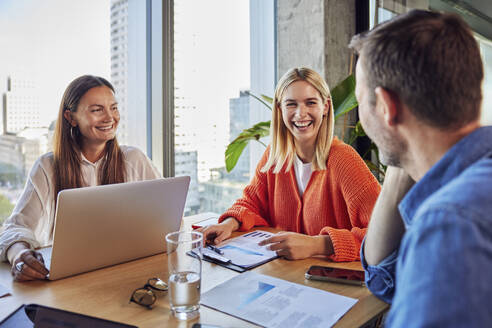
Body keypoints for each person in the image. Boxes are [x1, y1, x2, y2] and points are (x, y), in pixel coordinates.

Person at [350, 9, 492, 326]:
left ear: (386, 107)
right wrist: (409, 153)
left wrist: (399, 138)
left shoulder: (452, 223)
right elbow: (385, 280)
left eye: (361, 101)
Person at [200, 67, 381, 261]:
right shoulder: (274, 156)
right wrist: (228, 224)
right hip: (285, 277)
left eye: (310, 103)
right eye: (291, 104)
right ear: (279, 109)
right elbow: (251, 202)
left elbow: (385, 235)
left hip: (333, 282)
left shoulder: (344, 160)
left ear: (326, 107)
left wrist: (318, 244)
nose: (300, 114)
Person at [0, 75, 161, 282]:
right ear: (71, 117)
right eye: (97, 110)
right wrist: (19, 256)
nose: (110, 118)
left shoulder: (134, 159)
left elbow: (164, 219)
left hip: (127, 274)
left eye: (113, 108)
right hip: (69, 281)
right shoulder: (47, 167)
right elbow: (16, 228)